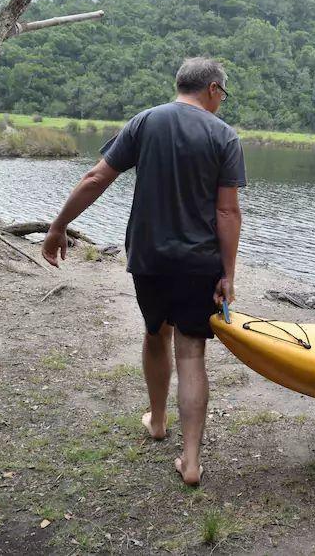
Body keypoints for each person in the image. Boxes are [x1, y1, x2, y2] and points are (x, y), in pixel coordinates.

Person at [40, 57, 245, 486]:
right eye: (222, 95)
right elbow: (227, 211)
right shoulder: (224, 136)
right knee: (191, 352)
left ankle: (156, 419)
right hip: (198, 261)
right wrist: (228, 273)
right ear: (211, 88)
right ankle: (191, 461)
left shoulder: (144, 122)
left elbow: (97, 177)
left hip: (149, 258)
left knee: (156, 334)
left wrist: (58, 226)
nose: (221, 102)